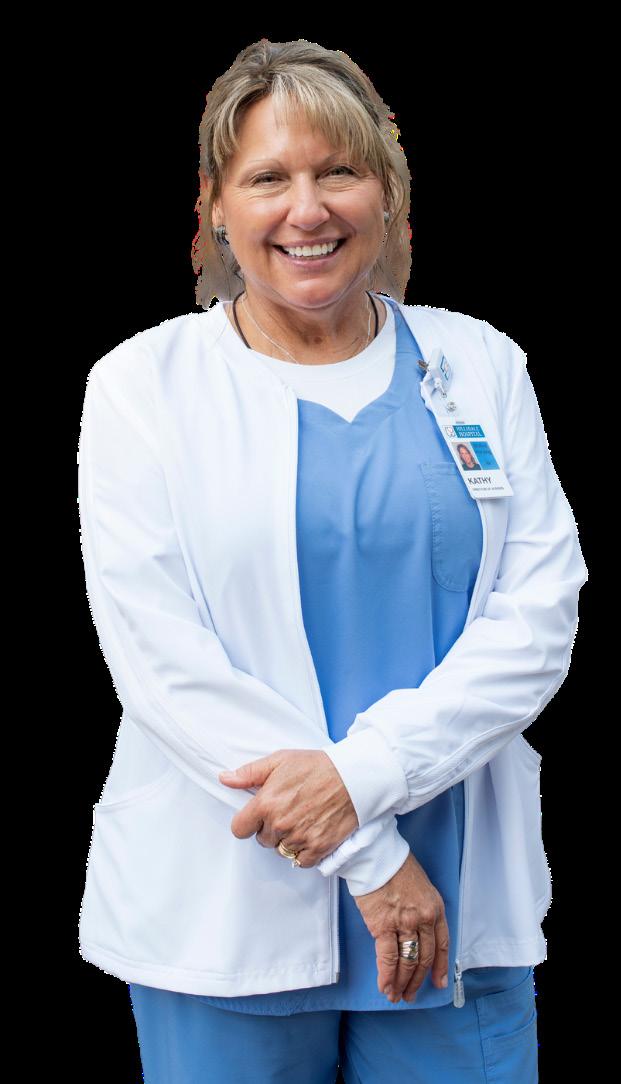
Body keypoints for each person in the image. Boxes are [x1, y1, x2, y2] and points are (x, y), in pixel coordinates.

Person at [77, 39, 588, 1083]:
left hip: (458, 894)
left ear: (386, 195)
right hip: (231, 903)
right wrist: (371, 852)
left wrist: (364, 779)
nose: (306, 210)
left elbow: (538, 614)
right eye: (268, 177)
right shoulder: (142, 385)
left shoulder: (480, 363)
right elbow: (163, 660)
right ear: (217, 207)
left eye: (338, 171)